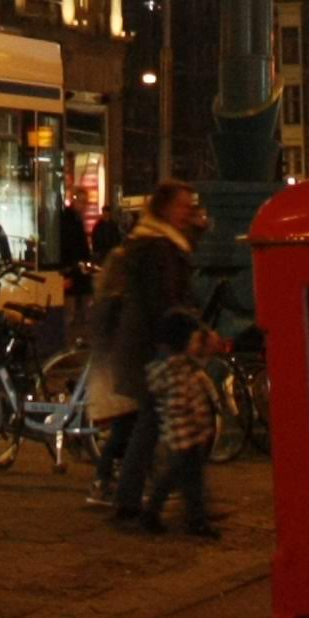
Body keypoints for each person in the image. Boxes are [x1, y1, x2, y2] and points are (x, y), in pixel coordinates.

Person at [90, 179, 203, 528]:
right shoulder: (156, 247)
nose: (188, 212)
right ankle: (151, 505)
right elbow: (163, 300)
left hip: (147, 346)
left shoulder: (158, 242)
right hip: (151, 349)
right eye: (183, 206)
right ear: (166, 208)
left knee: (155, 424)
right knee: (163, 424)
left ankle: (163, 505)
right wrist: (183, 336)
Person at [130, 308, 224, 538]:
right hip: (184, 434)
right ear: (182, 342)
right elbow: (180, 403)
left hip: (183, 434)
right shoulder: (177, 370)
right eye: (192, 339)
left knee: (177, 477)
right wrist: (195, 423)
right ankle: (193, 520)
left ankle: (161, 514)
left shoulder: (177, 366)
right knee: (188, 480)